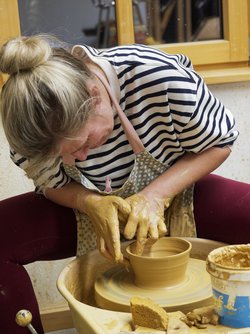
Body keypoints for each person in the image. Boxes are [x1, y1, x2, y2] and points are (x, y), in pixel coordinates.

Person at [0, 34, 249, 333]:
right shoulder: (28, 123)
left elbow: (220, 141)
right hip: (88, 207)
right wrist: (88, 202)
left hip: (177, 194)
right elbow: (50, 181)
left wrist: (155, 195)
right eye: (62, 156)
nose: (74, 161)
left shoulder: (158, 76)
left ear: (95, 95)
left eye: (84, 144)